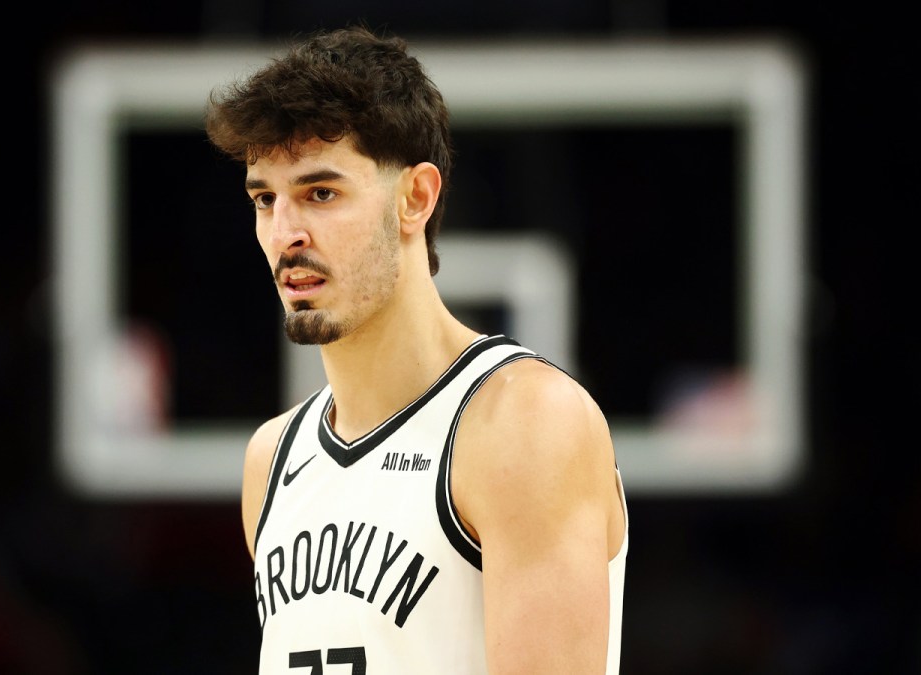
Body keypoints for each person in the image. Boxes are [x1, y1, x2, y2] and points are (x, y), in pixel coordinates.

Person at [206, 26, 628, 675]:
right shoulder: (272, 458)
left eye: (321, 193)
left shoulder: (525, 423)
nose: (285, 233)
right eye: (266, 199)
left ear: (416, 198)